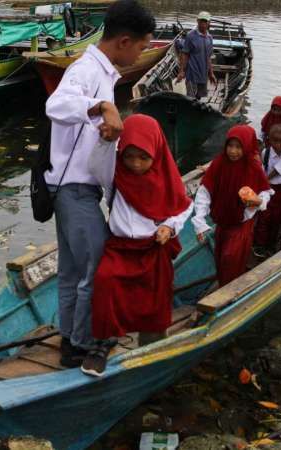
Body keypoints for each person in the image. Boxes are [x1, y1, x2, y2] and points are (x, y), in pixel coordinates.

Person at [44, 0, 155, 368]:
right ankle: (85, 342)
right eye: (141, 47)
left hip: (72, 189)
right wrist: (100, 108)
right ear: (124, 41)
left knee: (71, 272)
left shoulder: (104, 74)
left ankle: (69, 343)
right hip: (73, 190)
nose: (141, 54)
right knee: (100, 267)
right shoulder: (86, 71)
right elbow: (56, 105)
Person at [84, 114, 193, 377]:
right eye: (129, 156)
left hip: (152, 249)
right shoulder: (115, 175)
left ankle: (152, 344)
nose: (135, 164)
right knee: (106, 282)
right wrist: (107, 140)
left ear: (156, 152)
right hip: (120, 248)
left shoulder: (166, 178)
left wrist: (169, 227)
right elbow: (95, 165)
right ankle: (103, 343)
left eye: (143, 158)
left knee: (155, 300)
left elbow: (182, 207)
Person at [192, 125, 273, 286]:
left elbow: (265, 192)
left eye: (238, 147)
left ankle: (230, 291)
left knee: (231, 258)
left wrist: (259, 201)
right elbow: (205, 191)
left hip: (241, 224)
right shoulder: (219, 164)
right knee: (220, 259)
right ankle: (224, 284)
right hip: (222, 222)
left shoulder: (253, 167)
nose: (233, 151)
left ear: (247, 147)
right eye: (230, 146)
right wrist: (200, 220)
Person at [254, 124, 281, 255]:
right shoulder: (266, 153)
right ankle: (259, 244)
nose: (278, 144)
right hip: (268, 188)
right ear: (269, 140)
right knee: (264, 217)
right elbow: (263, 171)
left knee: (278, 218)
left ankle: (271, 244)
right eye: (275, 141)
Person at [177, 11, 217, 100]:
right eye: (201, 21)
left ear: (209, 23)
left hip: (203, 74)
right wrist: (181, 71)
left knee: (199, 97)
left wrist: (211, 73)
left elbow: (208, 57)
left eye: (205, 21)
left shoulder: (209, 38)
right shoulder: (190, 36)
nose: (203, 24)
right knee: (190, 98)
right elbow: (185, 54)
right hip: (192, 74)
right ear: (197, 21)